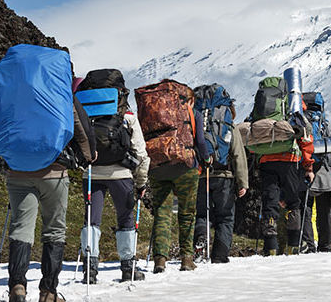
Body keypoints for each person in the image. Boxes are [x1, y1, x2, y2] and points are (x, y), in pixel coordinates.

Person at [6, 94, 94, 302]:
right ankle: (48, 292)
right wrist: (88, 155)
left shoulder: (14, 87)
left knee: (21, 228)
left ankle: (17, 287)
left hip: (18, 169)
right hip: (53, 171)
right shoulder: (58, 89)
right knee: (54, 230)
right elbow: (80, 127)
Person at [77, 70, 150, 283]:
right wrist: (141, 182)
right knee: (126, 219)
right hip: (122, 174)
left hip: (91, 173)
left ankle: (90, 268)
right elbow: (141, 153)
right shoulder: (127, 117)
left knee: (91, 220)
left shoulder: (85, 113)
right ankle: (129, 268)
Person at [148, 102, 211, 273]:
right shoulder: (192, 112)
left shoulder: (154, 111)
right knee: (187, 213)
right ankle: (187, 259)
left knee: (162, 212)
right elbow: (199, 141)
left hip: (158, 166)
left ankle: (160, 260)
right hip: (185, 167)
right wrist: (206, 159)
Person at [194, 100, 249, 263]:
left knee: (202, 214)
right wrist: (242, 182)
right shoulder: (229, 126)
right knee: (225, 217)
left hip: (202, 176)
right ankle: (220, 255)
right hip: (225, 177)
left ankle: (200, 238)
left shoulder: (199, 124)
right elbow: (238, 155)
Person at [257, 108, 314, 256]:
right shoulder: (295, 108)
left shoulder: (263, 110)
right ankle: (294, 245)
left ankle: (270, 247)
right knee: (293, 203)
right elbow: (306, 139)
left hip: (266, 160)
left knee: (269, 204)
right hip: (289, 160)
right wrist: (308, 167)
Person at [301, 119, 331, 253]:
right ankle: (325, 246)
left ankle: (308, 246)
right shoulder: (325, 124)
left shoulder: (299, 121)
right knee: (325, 212)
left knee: (305, 212)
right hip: (325, 173)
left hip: (304, 172)